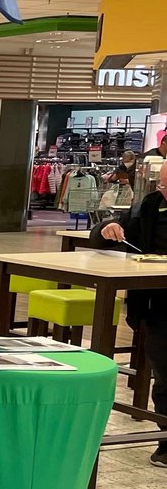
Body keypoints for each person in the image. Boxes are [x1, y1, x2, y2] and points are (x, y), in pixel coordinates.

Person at [90, 161, 167, 468]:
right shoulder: (148, 208)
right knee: (165, 369)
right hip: (159, 305)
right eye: (162, 184)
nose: (163, 191)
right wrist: (105, 229)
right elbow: (103, 237)